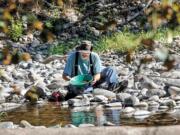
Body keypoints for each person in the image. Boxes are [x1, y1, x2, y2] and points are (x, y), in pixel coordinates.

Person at [62, 40, 127, 100]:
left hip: (93, 78)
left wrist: (95, 79)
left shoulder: (94, 56)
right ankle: (101, 89)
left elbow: (97, 73)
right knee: (82, 91)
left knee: (111, 70)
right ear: (79, 51)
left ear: (90, 51)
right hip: (79, 81)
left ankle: (113, 87)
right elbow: (65, 75)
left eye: (87, 52)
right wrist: (72, 80)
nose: (85, 54)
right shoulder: (72, 57)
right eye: (83, 52)